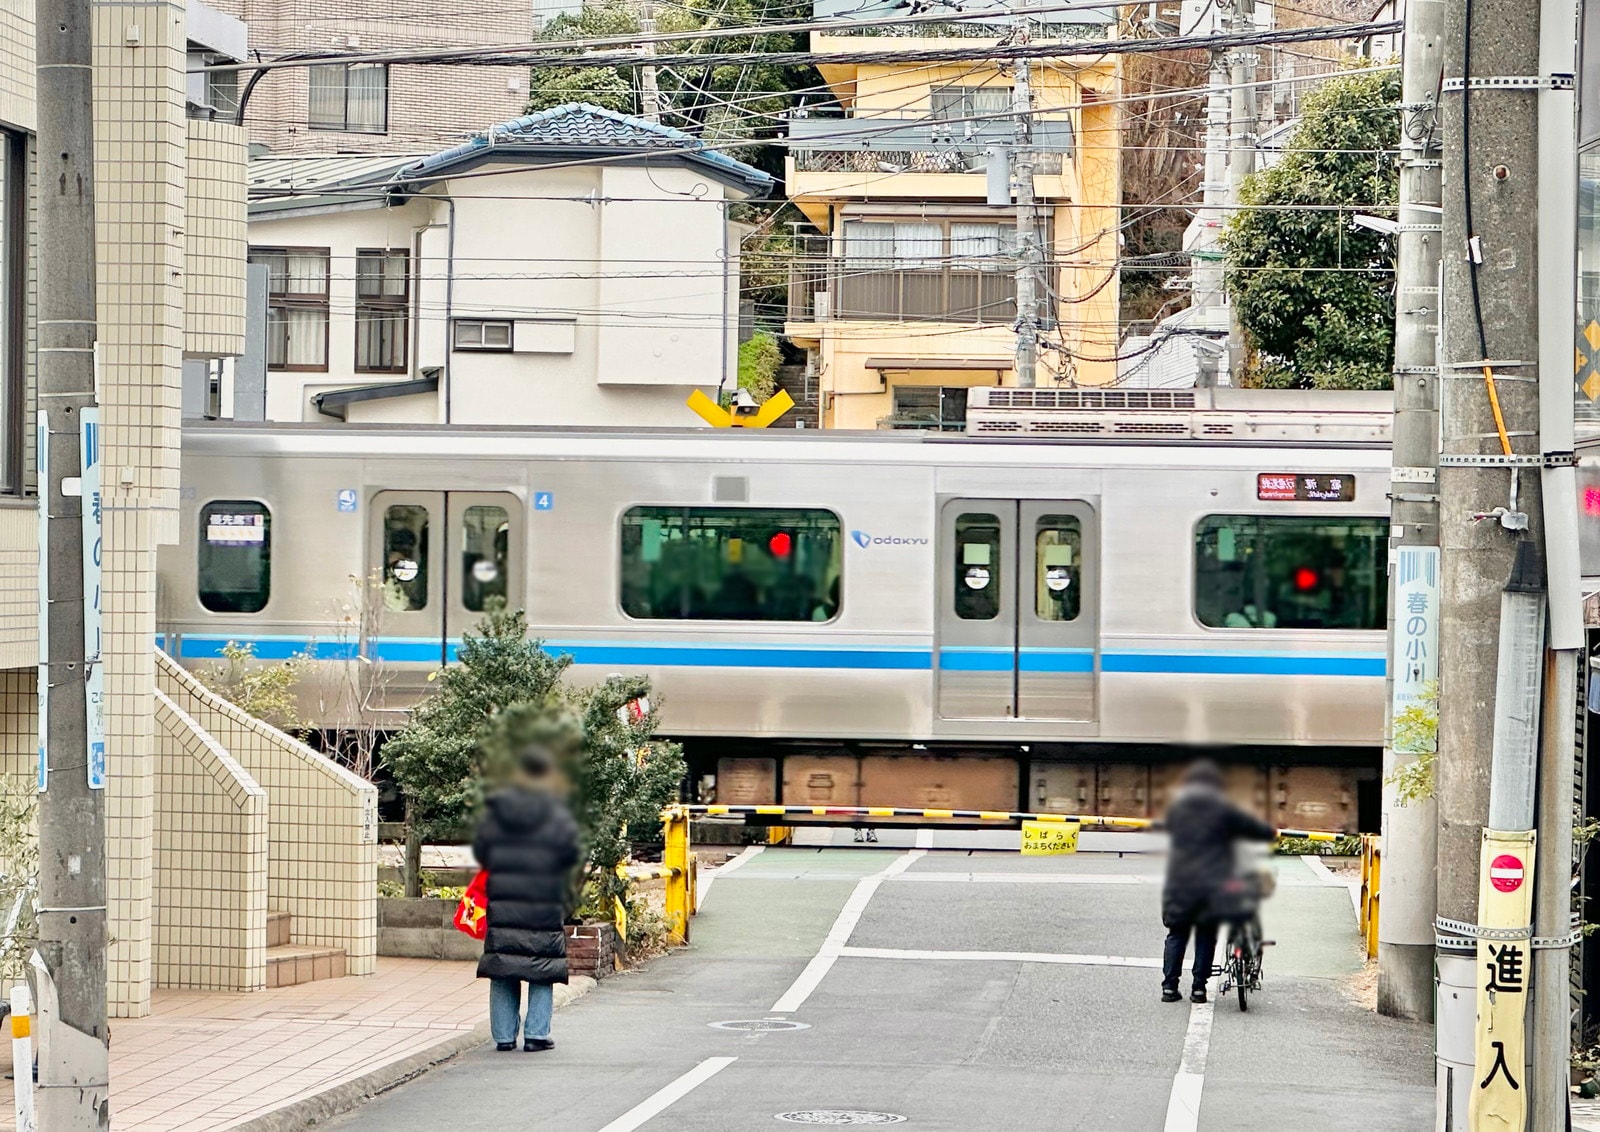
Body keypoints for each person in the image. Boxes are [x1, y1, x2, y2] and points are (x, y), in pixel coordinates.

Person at [473, 745, 580, 1052]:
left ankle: (504, 1037)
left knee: (504, 963)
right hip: (542, 898)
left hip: (504, 895)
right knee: (542, 965)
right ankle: (536, 1034)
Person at [1159, 760, 1276, 1004]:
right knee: (1206, 934)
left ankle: (1169, 988)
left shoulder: (1178, 810)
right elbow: (1258, 831)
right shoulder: (1226, 811)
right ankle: (1199, 989)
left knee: (1177, 934)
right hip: (1213, 884)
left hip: (1180, 882)